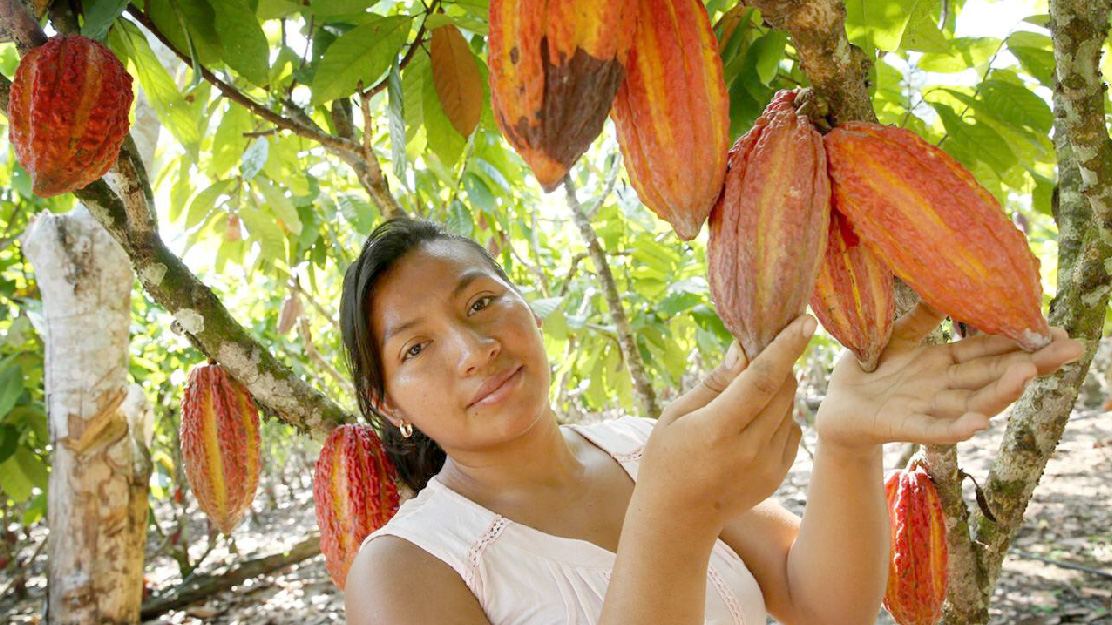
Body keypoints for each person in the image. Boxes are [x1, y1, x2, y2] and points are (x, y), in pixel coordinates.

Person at [338, 217, 1082, 625]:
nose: (475, 350)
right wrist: (674, 515)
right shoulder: (403, 569)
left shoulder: (640, 443)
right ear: (390, 402)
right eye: (418, 346)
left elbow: (821, 605)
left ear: (524, 301)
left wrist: (847, 441)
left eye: (480, 302)